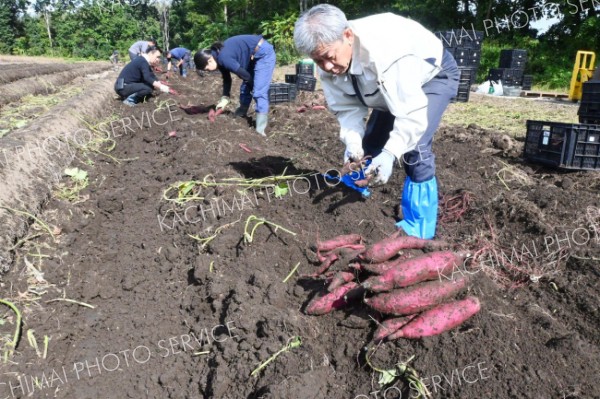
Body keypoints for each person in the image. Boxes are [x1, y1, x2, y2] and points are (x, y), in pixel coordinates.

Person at [294, 5, 459, 239]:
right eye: (318, 61)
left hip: (430, 76)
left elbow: (410, 113)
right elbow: (347, 107)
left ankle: (419, 227)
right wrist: (352, 141)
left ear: (348, 36)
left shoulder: (387, 52)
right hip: (383, 85)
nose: (327, 67)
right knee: (371, 140)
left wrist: (391, 153)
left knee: (415, 147)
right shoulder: (328, 59)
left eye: (329, 58)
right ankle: (354, 187)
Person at [194, 35, 276, 136]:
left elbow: (246, 76)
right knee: (246, 87)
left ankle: (260, 130)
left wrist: (253, 87)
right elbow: (227, 79)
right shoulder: (218, 56)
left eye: (206, 68)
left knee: (259, 92)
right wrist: (225, 98)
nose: (208, 71)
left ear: (210, 60)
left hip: (263, 52)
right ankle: (241, 113)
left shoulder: (224, 58)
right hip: (252, 55)